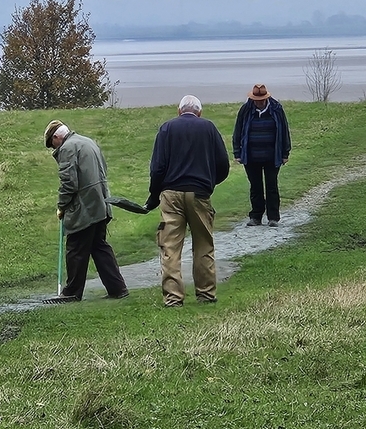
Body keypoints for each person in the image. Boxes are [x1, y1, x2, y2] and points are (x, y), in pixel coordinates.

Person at [145, 95, 229, 307]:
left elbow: (157, 168)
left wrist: (154, 196)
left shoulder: (166, 129)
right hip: (200, 193)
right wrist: (209, 182)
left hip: (171, 194)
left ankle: (173, 298)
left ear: (178, 110)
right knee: (203, 245)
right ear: (199, 112)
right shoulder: (209, 128)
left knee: (170, 247)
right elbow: (223, 165)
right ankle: (206, 294)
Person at [42, 120, 129, 303]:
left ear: (56, 137)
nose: (53, 148)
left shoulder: (68, 148)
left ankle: (72, 292)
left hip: (85, 207)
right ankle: (117, 288)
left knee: (75, 249)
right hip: (101, 203)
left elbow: (69, 184)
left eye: (52, 144)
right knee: (99, 247)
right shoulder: (87, 141)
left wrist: (62, 206)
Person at [231, 84, 291, 227]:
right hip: (251, 156)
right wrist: (237, 153)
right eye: (256, 99)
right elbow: (238, 131)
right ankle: (256, 216)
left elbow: (284, 130)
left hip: (272, 156)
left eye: (261, 99)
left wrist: (285, 153)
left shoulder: (276, 109)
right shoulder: (245, 110)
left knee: (272, 186)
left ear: (266, 98)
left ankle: (273, 218)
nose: (258, 102)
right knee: (255, 187)